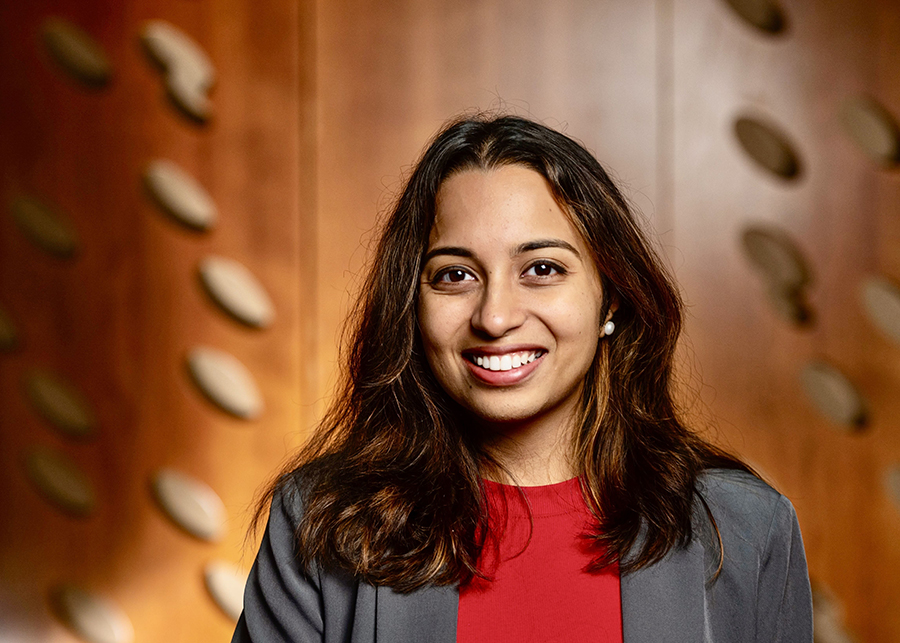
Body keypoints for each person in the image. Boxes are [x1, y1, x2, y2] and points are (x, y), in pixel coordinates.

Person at [233, 114, 813, 642]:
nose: (496, 316)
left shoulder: (746, 528)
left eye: (541, 269)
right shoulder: (321, 521)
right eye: (455, 275)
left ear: (611, 296)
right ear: (411, 304)